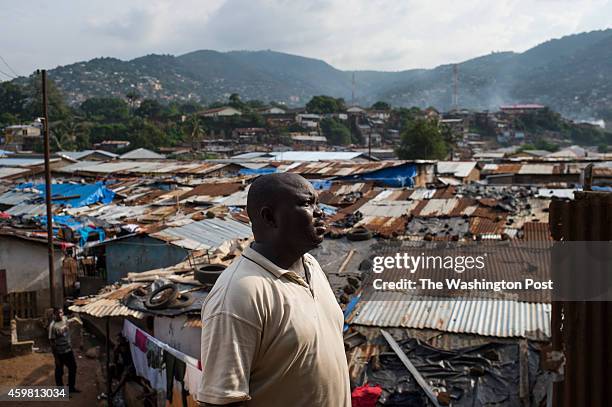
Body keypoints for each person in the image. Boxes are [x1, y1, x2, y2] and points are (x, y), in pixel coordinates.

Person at [197, 173, 351, 407]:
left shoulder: (312, 266)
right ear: (270, 217)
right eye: (306, 204)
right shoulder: (240, 294)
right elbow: (222, 400)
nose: (320, 213)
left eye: (317, 203)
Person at [49, 308, 79, 393]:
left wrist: (74, 319)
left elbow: (69, 321)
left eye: (61, 313)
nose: (59, 315)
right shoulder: (52, 326)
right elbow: (52, 343)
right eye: (57, 313)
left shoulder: (65, 319)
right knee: (59, 372)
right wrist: (56, 358)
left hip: (68, 350)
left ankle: (71, 387)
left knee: (73, 368)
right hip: (59, 353)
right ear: (54, 314)